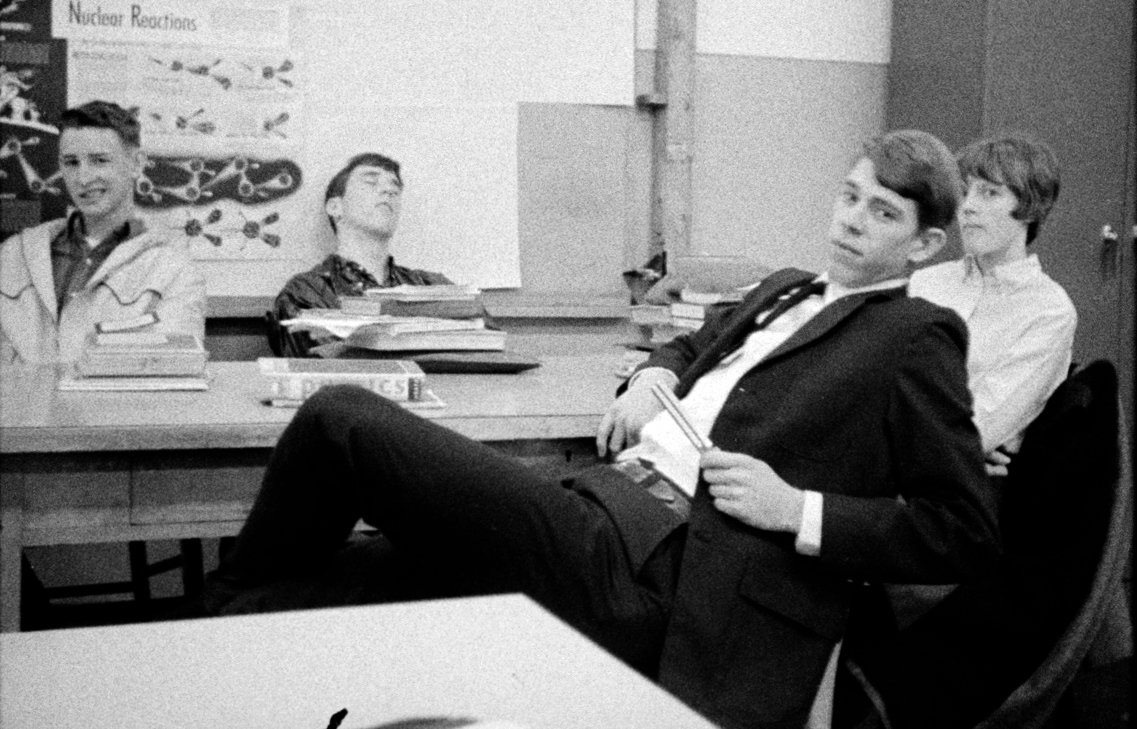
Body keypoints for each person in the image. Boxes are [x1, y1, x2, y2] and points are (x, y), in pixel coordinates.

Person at [202, 130, 1001, 729]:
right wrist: (655, 373)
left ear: (924, 243)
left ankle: (214, 622)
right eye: (849, 196)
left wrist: (797, 509)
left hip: (667, 573)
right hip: (601, 501)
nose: (852, 220)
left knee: (341, 420)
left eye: (882, 212)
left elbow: (962, 530)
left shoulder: (915, 336)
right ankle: (211, 651)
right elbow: (690, 344)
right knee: (342, 577)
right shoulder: (786, 288)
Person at [909, 135, 1076, 477]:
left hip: (961, 490)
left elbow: (977, 430)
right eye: (964, 192)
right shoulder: (925, 282)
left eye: (989, 193)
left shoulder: (1049, 312)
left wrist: (961, 448)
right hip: (906, 467)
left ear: (1031, 207)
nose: (967, 207)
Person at [0, 100, 205, 365]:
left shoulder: (174, 270)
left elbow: (172, 372)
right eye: (71, 162)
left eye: (99, 161)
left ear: (137, 164)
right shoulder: (13, 254)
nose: (83, 178)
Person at [272, 152, 456, 356]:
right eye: (371, 182)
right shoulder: (304, 293)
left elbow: (480, 355)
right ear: (335, 207)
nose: (388, 190)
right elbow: (326, 365)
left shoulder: (432, 286)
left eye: (395, 186)